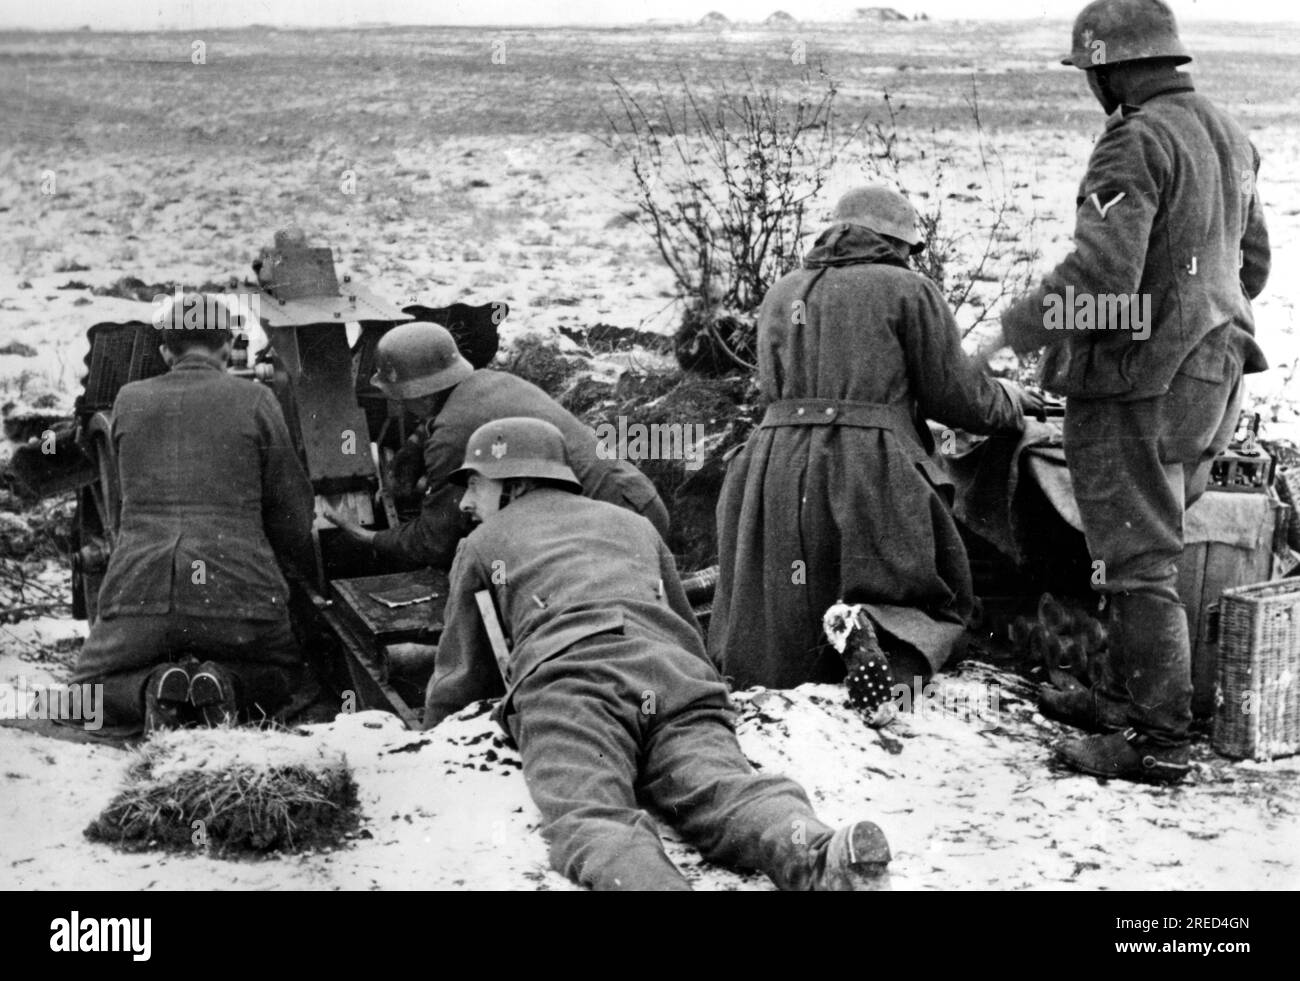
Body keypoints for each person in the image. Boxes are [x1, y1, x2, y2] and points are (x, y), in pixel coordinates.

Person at [973, 0, 1270, 784]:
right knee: (1149, 538)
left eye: (1092, 74)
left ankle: (1159, 738)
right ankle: (1127, 694)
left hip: (1140, 383)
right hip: (1215, 374)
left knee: (1138, 556)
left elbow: (1103, 279)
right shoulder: (1229, 134)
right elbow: (1256, 266)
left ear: (1109, 69)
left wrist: (1010, 328)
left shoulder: (1134, 141)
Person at [422, 417, 892, 891]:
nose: (465, 502)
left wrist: (433, 733)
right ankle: (818, 855)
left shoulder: (482, 543)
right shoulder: (633, 524)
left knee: (592, 815)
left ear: (514, 483)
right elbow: (684, 626)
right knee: (723, 787)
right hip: (673, 677)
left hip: (574, 687)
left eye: (475, 485)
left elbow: (461, 669)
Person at [708, 185, 1032, 699]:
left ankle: (788, 686)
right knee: (926, 591)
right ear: (894, 242)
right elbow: (957, 398)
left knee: (783, 606)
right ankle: (877, 632)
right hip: (870, 462)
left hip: (771, 463)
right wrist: (1012, 402)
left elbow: (772, 387)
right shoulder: (908, 289)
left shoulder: (783, 290)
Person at [72, 295, 316, 735]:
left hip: (141, 597)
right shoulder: (257, 399)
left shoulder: (128, 400)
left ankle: (151, 687)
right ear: (226, 347)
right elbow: (292, 513)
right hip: (238, 597)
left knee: (83, 692)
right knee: (293, 677)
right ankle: (227, 686)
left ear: (165, 352)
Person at [326, 322, 668, 569]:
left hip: (614, 533)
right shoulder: (491, 382)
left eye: (400, 397)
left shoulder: (452, 433)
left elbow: (434, 541)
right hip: (637, 502)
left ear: (418, 392)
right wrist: (416, 445)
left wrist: (368, 538)